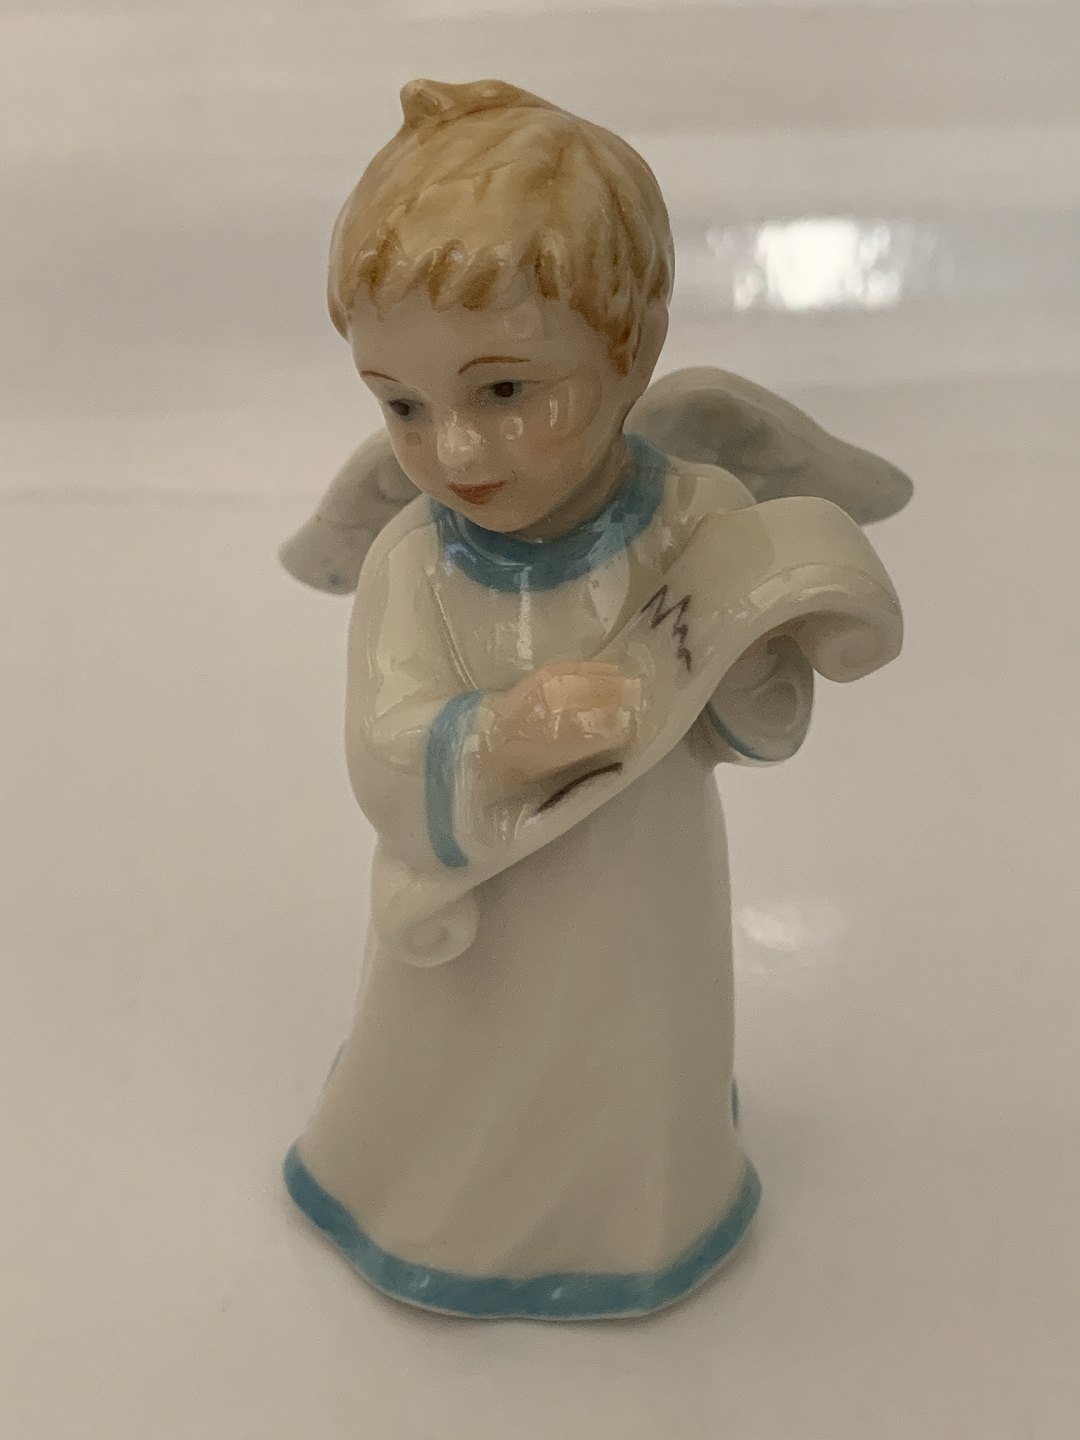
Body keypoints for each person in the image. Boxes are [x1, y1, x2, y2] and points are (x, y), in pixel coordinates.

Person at [283, 77, 904, 1320]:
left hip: (639, 900)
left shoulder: (695, 519)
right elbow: (385, 757)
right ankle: (437, 1212)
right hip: (481, 931)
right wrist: (496, 742)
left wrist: (755, 666)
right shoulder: (415, 562)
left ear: (631, 350)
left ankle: (638, 1211)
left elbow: (748, 725)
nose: (455, 449)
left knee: (632, 1053)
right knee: (465, 1071)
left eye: (506, 391)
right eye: (402, 405)